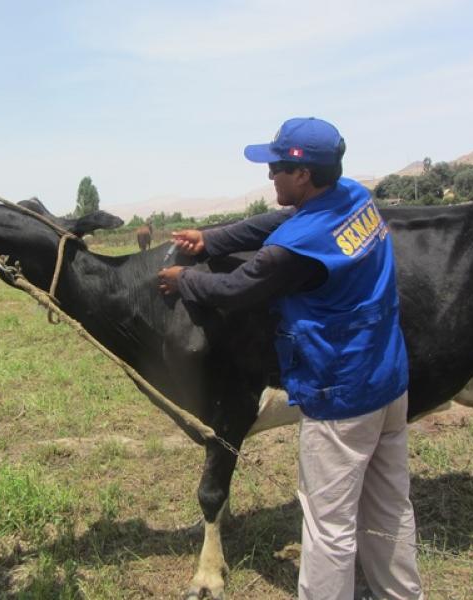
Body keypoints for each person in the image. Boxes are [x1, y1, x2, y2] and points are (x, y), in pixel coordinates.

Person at [158, 117, 423, 600]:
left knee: (329, 527)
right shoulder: (354, 197)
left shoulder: (297, 248)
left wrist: (184, 279)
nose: (269, 176)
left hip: (341, 396)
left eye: (277, 167)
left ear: (302, 175)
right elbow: (280, 220)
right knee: (390, 508)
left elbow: (236, 289)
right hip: (389, 379)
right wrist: (213, 239)